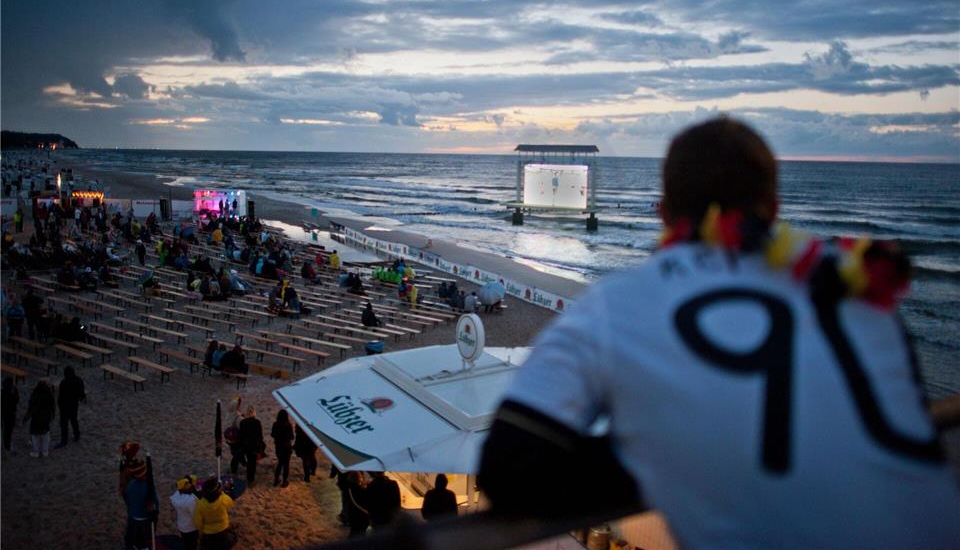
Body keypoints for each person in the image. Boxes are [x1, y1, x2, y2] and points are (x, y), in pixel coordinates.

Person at [477, 117, 960, 548]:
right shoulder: (859, 289)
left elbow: (509, 469)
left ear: (663, 212)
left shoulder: (617, 303)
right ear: (774, 209)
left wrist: (658, 452)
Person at [123, 457, 158, 550]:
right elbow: (155, 503)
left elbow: (128, 500)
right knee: (146, 541)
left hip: (133, 516)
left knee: (136, 540)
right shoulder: (148, 486)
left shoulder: (130, 485)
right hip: (145, 517)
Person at [193, 477, 235, 550]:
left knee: (211, 546)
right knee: (223, 544)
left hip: (208, 532)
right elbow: (231, 503)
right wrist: (223, 492)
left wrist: (200, 529)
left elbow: (197, 522)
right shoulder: (223, 499)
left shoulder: (200, 504)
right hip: (223, 527)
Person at [23, 380, 55, 458]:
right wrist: (52, 415)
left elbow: (30, 407)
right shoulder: (49, 394)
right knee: (45, 434)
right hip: (45, 417)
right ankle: (45, 451)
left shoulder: (35, 394)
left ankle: (36, 452)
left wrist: (26, 417)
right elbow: (52, 406)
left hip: (36, 417)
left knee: (35, 435)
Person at [56, 366, 86, 447]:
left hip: (65, 406)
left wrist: (60, 405)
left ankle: (64, 440)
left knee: (64, 424)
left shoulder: (64, 383)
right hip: (74, 404)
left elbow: (61, 396)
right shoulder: (78, 380)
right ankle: (77, 435)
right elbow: (82, 392)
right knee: (73, 420)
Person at [170, 476, 200, 550]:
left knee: (186, 542)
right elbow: (195, 515)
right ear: (182, 489)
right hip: (191, 527)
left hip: (181, 525)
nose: (190, 488)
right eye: (188, 487)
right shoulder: (190, 501)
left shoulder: (175, 496)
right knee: (193, 544)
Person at [238, 405, 264, 485]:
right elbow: (260, 435)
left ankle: (249, 477)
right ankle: (251, 478)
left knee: (249, 460)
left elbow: (241, 435)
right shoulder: (257, 422)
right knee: (253, 461)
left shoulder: (242, 422)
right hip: (254, 445)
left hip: (246, 445)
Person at [271, 409, 294, 487]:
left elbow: (272, 434)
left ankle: (276, 480)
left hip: (278, 447)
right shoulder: (288, 425)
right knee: (286, 465)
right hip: (287, 447)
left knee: (280, 463)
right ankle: (284, 482)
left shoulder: (275, 424)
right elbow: (292, 437)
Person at [344, 471, 370, 537]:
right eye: (360, 477)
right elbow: (364, 500)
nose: (361, 478)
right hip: (360, 517)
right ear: (357, 479)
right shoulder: (359, 490)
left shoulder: (349, 488)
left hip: (352, 515)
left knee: (354, 531)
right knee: (359, 533)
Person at [2, 377, 19, 452]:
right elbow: (16, 400)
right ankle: (7, 446)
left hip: (3, 413)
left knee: (6, 430)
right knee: (8, 431)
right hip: (10, 414)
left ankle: (6, 445)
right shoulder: (13, 393)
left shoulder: (2, 392)